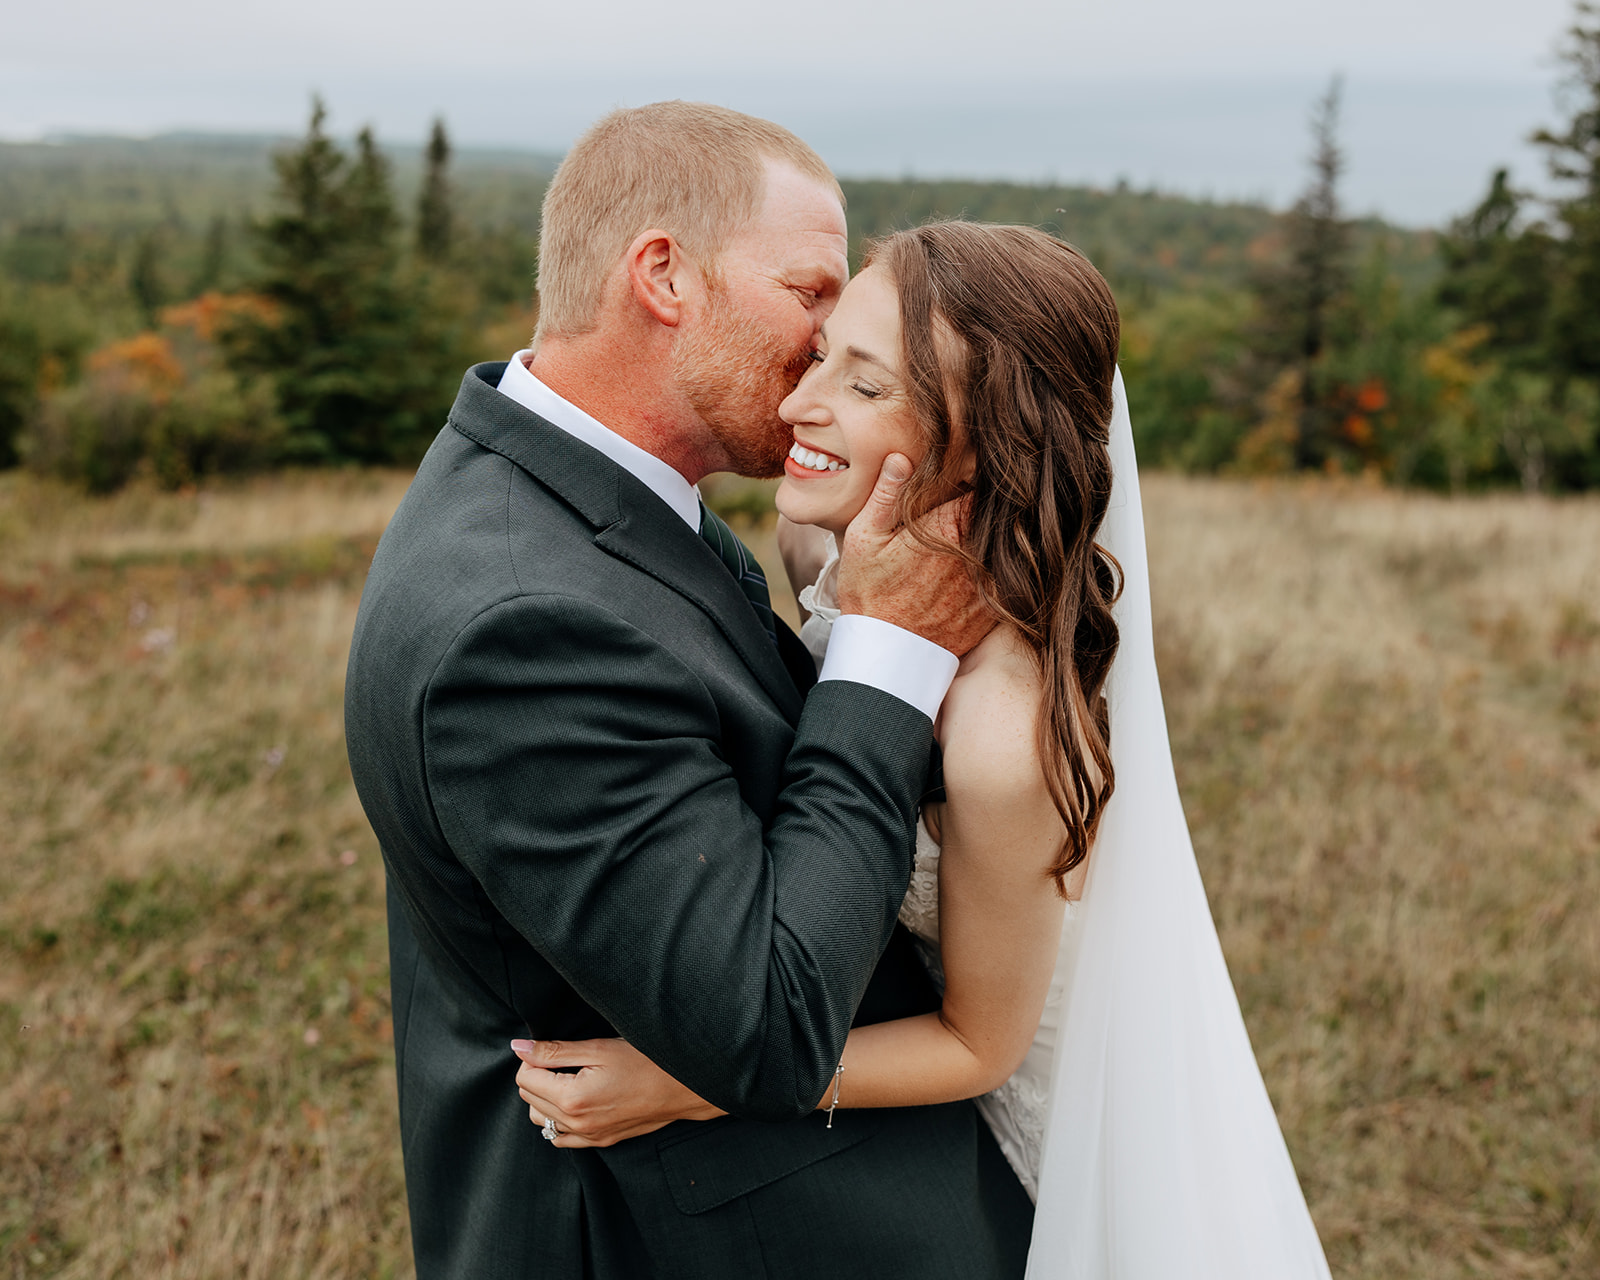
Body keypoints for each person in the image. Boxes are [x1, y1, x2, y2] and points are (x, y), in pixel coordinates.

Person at [515, 222, 1334, 1278]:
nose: (800, 405)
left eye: (866, 388)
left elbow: (977, 1044)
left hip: (1041, 1122)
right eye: (820, 357)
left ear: (985, 441)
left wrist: (688, 1078)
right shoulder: (828, 540)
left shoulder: (999, 732)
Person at [343, 103, 1035, 1280]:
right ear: (662, 275)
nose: (830, 342)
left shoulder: (579, 486)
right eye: (810, 291)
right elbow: (762, 1024)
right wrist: (888, 652)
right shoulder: (524, 627)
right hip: (701, 1232)